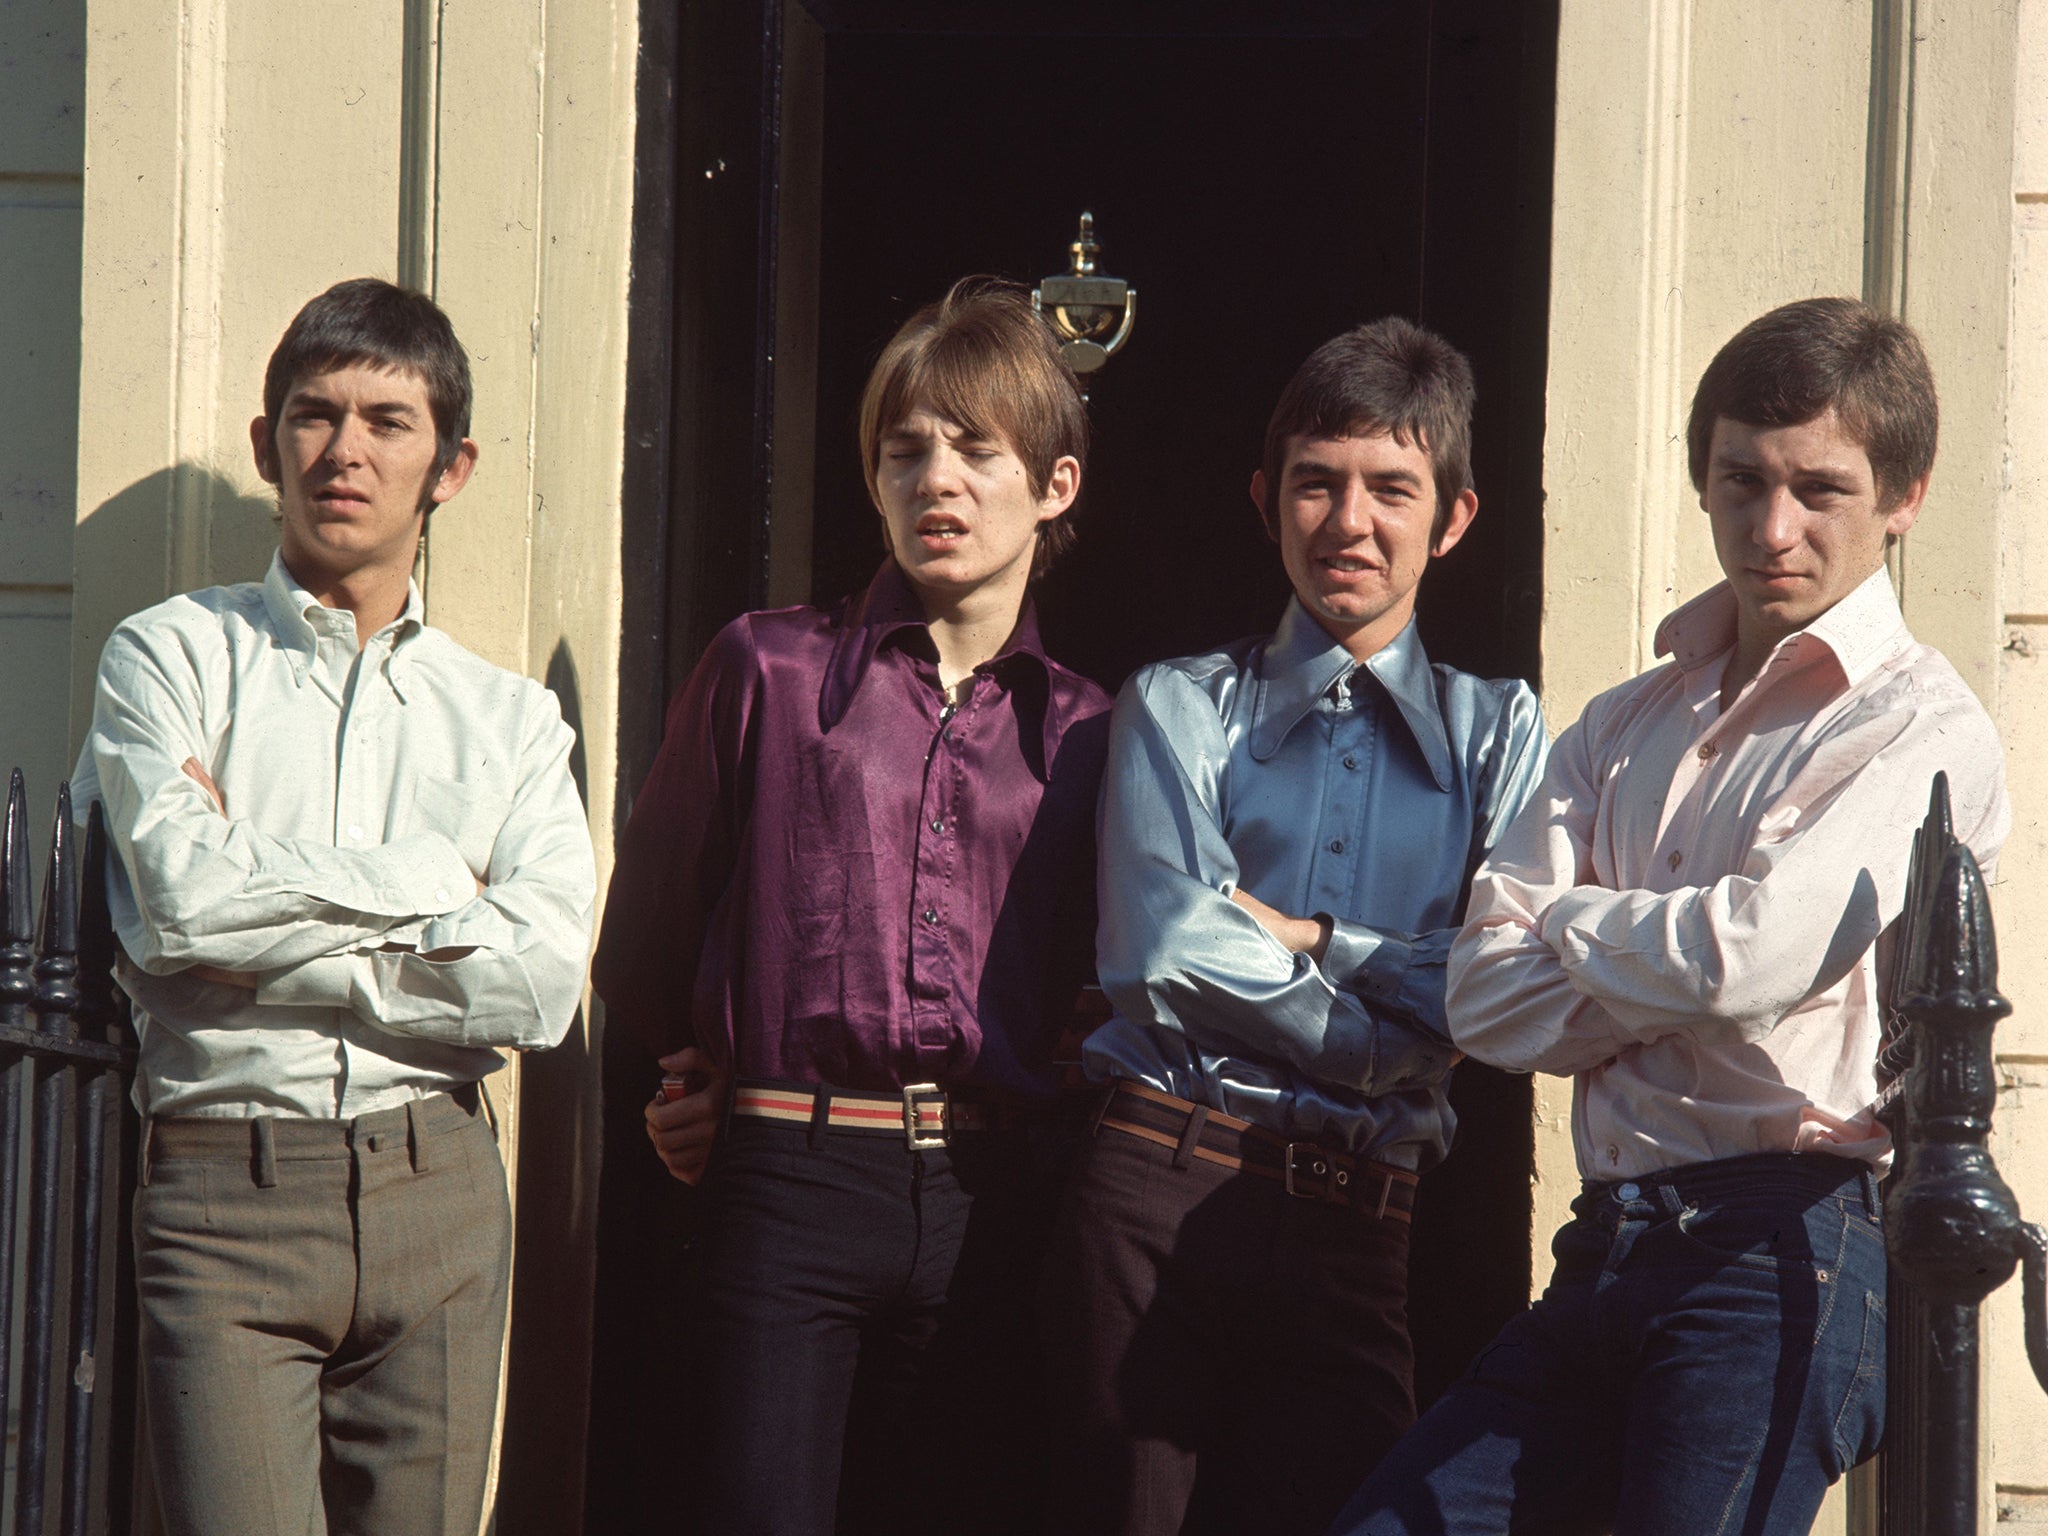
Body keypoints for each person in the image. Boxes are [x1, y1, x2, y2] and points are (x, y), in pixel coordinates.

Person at [1329, 297, 2011, 1536]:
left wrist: (1577, 919)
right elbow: (1483, 996)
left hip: (1778, 1248)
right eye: (1739, 480)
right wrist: (1662, 953)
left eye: (1820, 490)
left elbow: (1745, 961)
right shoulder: (1623, 722)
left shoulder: (1919, 728)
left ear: (1902, 498)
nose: (1771, 528)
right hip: (1606, 1248)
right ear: (1700, 476)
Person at [72, 277, 596, 1536]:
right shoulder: (169, 658)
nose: (344, 450)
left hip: (441, 1189)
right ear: (268, 445)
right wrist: (431, 890)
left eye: (386, 420)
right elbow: (186, 911)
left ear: (449, 466)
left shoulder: (512, 720)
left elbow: (538, 986)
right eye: (313, 415)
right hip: (225, 1192)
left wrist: (271, 917)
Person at [591, 278, 1112, 1535]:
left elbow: (1100, 982)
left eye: (975, 449)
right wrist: (688, 1074)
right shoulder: (764, 669)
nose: (936, 478)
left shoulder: (1094, 732)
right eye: (904, 451)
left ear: (1053, 486)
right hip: (787, 1178)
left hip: (991, 1202)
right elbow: (651, 930)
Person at [1039, 317, 1549, 1536]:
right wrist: (1390, 1041)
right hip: (1154, 1183)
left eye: (1390, 489)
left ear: (1454, 518)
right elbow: (1167, 947)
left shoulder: (1501, 734)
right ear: (1267, 499)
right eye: (1316, 483)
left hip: (1358, 1224)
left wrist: (1325, 942)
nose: (1348, 522)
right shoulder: (1177, 705)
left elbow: (1508, 986)